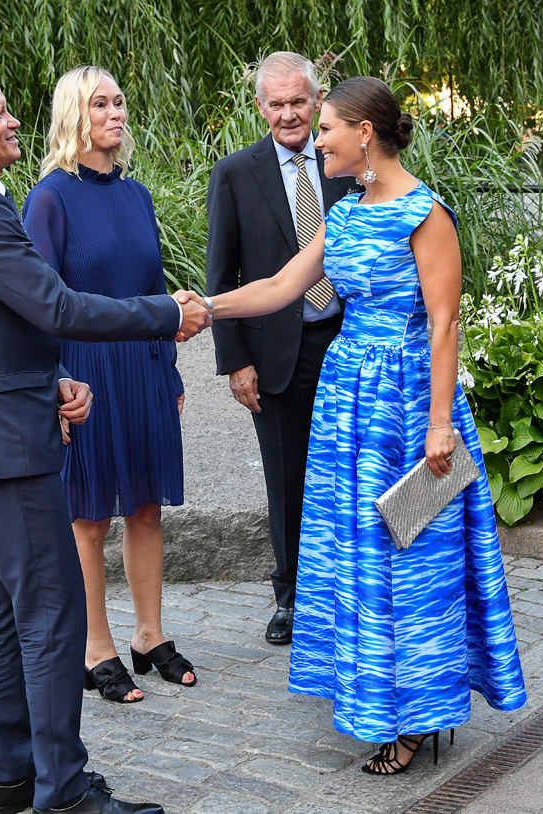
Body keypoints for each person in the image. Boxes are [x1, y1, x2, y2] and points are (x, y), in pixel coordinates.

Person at [0, 65, 209, 814]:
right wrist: (163, 314)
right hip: (0, 437)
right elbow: (55, 303)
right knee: (50, 613)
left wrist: (52, 378)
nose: (14, 122)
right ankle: (62, 794)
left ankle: (10, 781)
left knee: (4, 610)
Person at [199, 76, 527, 774]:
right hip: (348, 402)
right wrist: (201, 309)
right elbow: (280, 288)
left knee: (414, 559)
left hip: (410, 404)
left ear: (364, 134)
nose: (317, 139)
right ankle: (378, 696)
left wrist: (441, 426)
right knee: (358, 553)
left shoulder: (425, 213)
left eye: (327, 128)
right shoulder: (343, 216)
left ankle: (419, 715)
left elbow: (444, 324)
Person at [22, 66, 195, 706]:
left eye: (120, 101)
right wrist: (54, 385)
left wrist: (169, 370)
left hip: (144, 368)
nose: (116, 112)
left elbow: (149, 291)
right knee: (89, 517)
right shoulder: (50, 198)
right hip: (84, 374)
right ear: (75, 115)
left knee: (146, 505)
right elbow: (38, 302)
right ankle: (96, 646)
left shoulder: (138, 195)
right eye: (101, 104)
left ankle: (149, 635)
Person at [206, 52, 360, 645]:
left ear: (317, 102)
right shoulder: (236, 173)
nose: (290, 114)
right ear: (260, 107)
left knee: (350, 473)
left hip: (349, 342)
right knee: (287, 478)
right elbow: (223, 274)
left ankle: (346, 591)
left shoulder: (348, 165)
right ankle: (290, 597)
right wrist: (236, 361)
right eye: (278, 103)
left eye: (300, 101)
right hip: (275, 355)